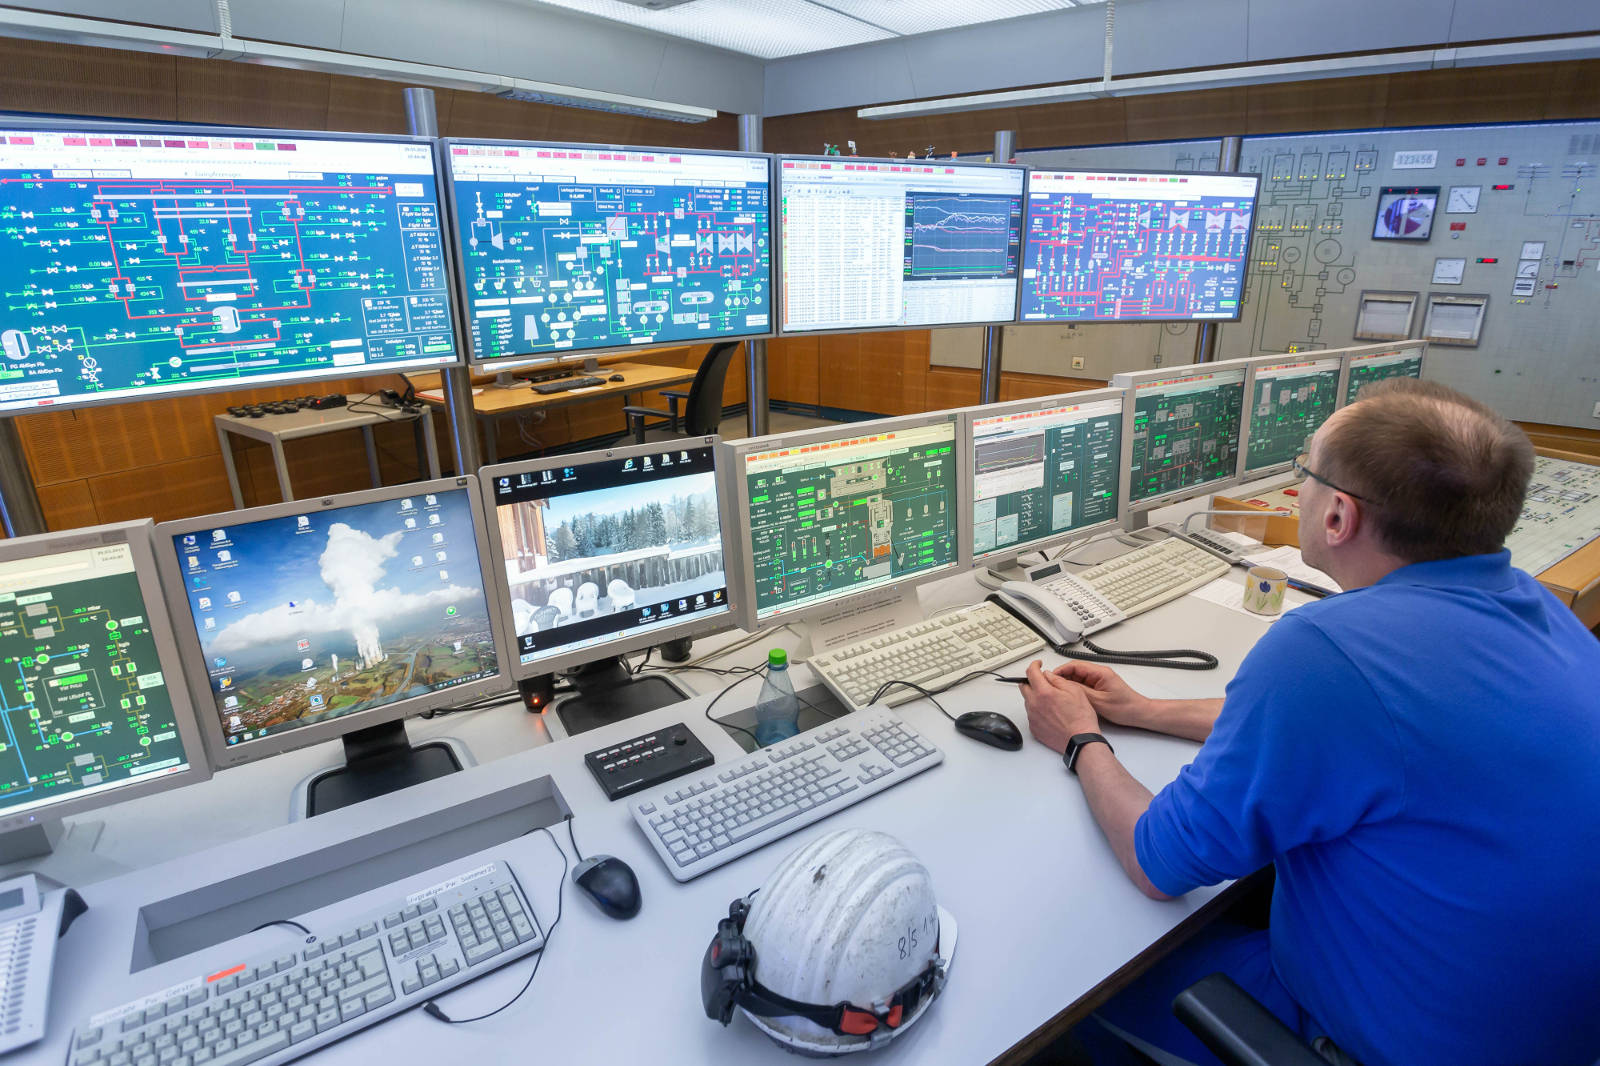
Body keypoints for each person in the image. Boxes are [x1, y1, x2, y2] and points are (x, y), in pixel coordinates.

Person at [1018, 379, 1600, 1066]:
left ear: (1337, 517)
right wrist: (1141, 711)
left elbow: (1157, 861)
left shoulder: (1324, 651)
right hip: (1541, 1034)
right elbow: (1360, 734)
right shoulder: (1540, 611)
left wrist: (1080, 738)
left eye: (1304, 476)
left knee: (1069, 980)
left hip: (1368, 1043)